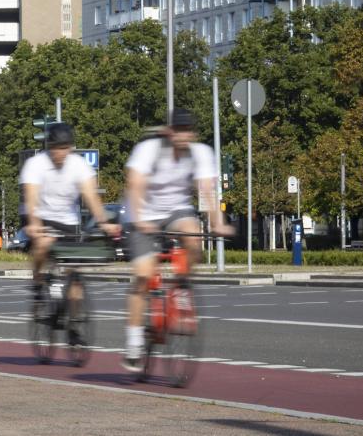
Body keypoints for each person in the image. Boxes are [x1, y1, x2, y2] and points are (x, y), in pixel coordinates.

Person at [121, 108, 232, 371]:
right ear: (169, 132)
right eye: (178, 131)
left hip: (176, 212)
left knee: (193, 239)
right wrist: (139, 220)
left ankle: (181, 287)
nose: (183, 136)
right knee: (143, 275)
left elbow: (207, 190)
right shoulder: (149, 150)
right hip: (142, 213)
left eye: (188, 131)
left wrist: (217, 223)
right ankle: (134, 342)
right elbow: (135, 185)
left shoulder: (200, 153)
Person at [20, 122, 120, 289]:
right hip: (41, 216)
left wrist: (104, 223)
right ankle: (37, 281)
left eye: (65, 148)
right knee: (43, 244)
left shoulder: (79, 165)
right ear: (49, 147)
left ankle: (76, 313)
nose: (61, 153)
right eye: (57, 148)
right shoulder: (35, 164)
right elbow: (31, 199)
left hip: (68, 221)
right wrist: (34, 224)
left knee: (74, 278)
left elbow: (91, 197)